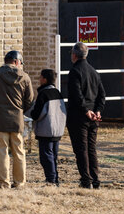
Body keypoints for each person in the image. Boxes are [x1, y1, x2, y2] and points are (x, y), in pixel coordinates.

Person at [0, 50, 34, 189]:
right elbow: (29, 100)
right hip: (17, 120)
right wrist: (20, 111)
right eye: (21, 63)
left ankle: (4, 182)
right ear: (16, 62)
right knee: (19, 151)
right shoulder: (25, 77)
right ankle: (20, 182)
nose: (21, 66)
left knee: (1, 151)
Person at [66, 42, 105, 189]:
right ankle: (95, 179)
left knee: (81, 149)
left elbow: (76, 94)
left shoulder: (75, 71)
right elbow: (102, 94)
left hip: (79, 116)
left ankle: (86, 180)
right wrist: (98, 110)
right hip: (94, 117)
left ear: (74, 55)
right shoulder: (94, 72)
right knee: (91, 148)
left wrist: (85, 110)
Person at [28, 69, 66, 186]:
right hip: (58, 129)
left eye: (40, 77)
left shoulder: (43, 94)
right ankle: (55, 179)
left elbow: (37, 114)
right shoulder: (57, 92)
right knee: (53, 156)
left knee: (46, 157)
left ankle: (51, 180)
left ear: (44, 79)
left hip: (46, 130)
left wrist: (29, 113)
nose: (39, 79)